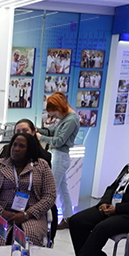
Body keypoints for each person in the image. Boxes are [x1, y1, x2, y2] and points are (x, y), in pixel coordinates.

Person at [43, 92, 79, 226]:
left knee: (50, 191)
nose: (55, 117)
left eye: (55, 114)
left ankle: (47, 221)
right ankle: (68, 217)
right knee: (63, 190)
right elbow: (55, 131)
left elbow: (59, 141)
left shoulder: (71, 119)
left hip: (60, 157)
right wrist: (39, 130)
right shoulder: (66, 118)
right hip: (58, 156)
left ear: (59, 108)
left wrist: (41, 138)